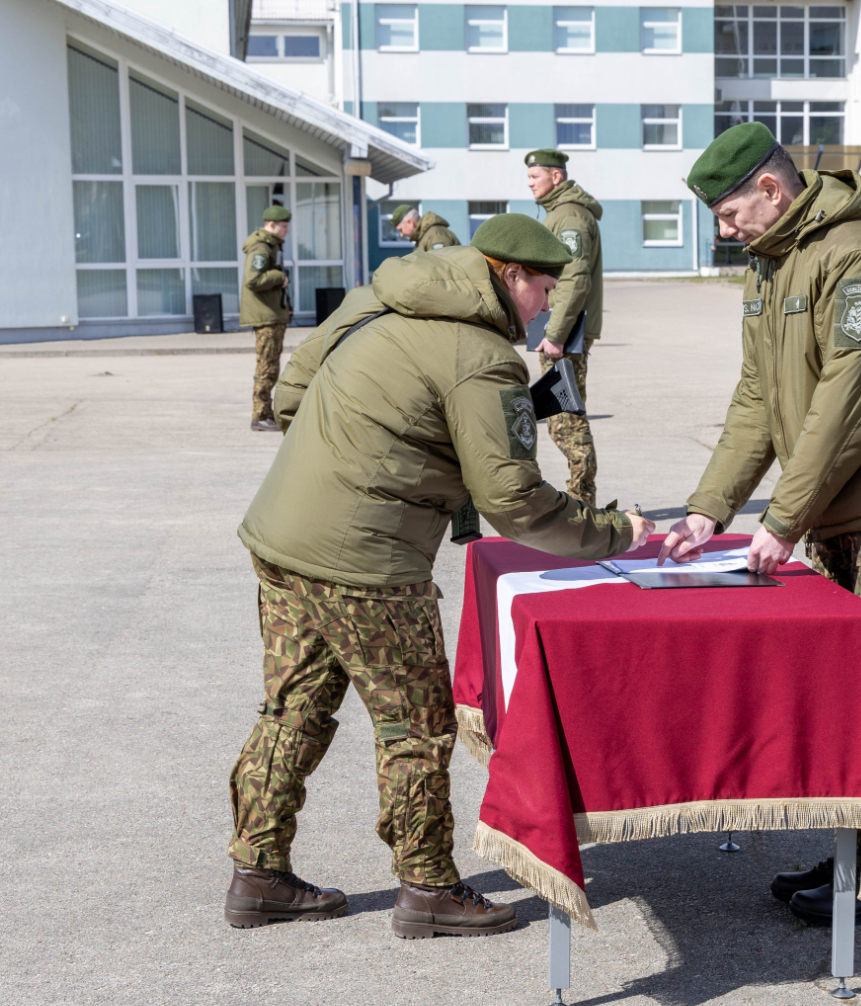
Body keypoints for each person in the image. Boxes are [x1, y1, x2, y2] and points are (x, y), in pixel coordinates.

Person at [222, 213, 654, 938]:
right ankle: (427, 886)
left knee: (292, 707)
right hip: (369, 562)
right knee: (416, 725)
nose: (545, 305)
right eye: (542, 288)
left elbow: (292, 397)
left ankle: (256, 873)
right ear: (508, 274)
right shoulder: (482, 356)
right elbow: (513, 498)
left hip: (283, 534)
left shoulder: (378, 296)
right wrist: (617, 533)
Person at [658, 122, 861, 924]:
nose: (727, 232)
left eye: (733, 215)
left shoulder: (860, 251)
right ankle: (856, 848)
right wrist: (709, 509)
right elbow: (758, 402)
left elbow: (853, 399)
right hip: (837, 506)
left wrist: (781, 517)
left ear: (773, 190)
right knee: (846, 687)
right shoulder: (771, 267)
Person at [526, 149, 603, 506]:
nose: (529, 183)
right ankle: (579, 495)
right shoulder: (559, 213)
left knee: (565, 418)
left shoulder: (569, 216)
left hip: (565, 332)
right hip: (559, 326)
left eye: (534, 176)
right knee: (562, 414)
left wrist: (554, 333)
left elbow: (574, 278)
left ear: (556, 177)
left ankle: (581, 498)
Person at [240, 204, 293, 432]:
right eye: (283, 226)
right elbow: (254, 280)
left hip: (272, 314)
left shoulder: (270, 246)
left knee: (270, 365)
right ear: (271, 225)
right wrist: (279, 276)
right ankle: (260, 415)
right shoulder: (261, 249)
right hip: (266, 317)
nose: (286, 231)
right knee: (267, 367)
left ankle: (264, 412)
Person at [391, 203, 459, 251]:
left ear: (410, 222)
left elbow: (440, 268)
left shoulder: (436, 235)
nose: (401, 235)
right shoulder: (422, 237)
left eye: (401, 230)